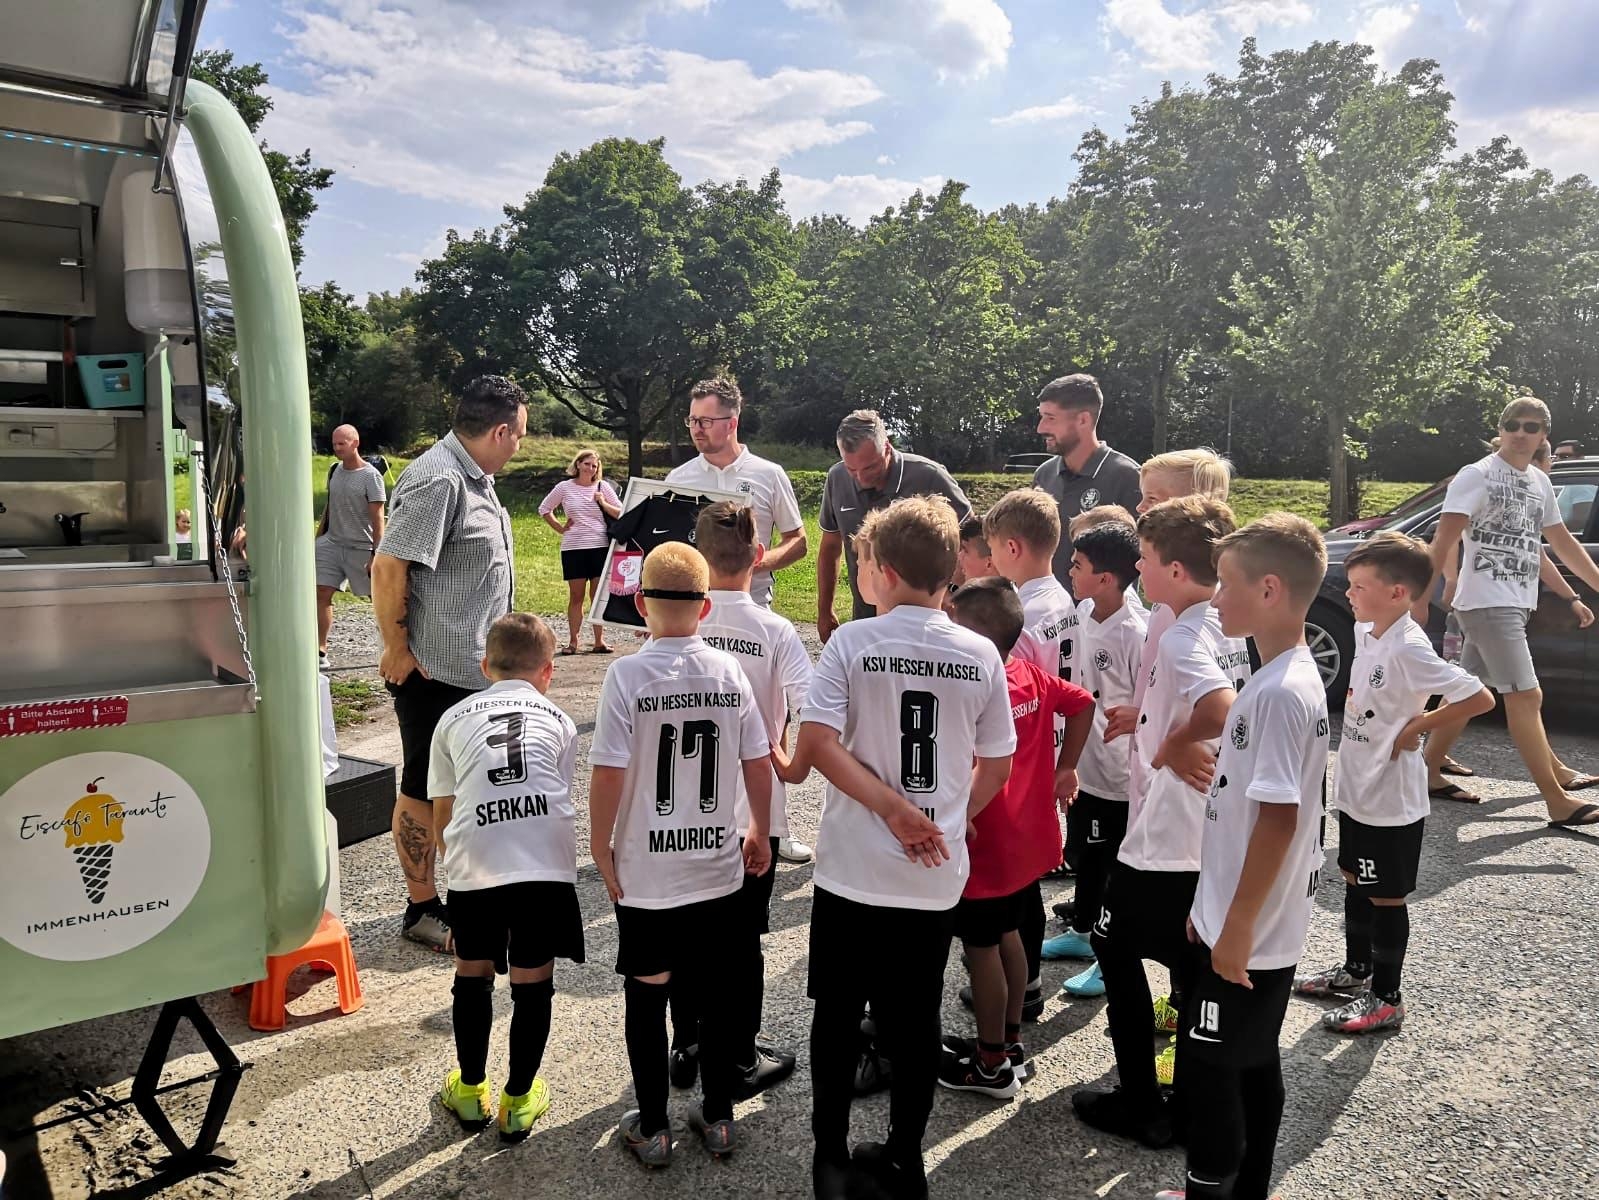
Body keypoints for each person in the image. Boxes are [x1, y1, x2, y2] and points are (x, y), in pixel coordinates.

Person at [790, 496, 1015, 1200]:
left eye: (860, 561)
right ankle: (903, 1158)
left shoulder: (854, 643)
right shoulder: (979, 650)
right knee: (914, 1019)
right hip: (931, 873)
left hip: (854, 869)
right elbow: (998, 762)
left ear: (881, 571)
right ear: (948, 573)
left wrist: (891, 809)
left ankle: (830, 1157)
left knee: (836, 1015)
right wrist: (948, 816)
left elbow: (817, 744)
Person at [1154, 513, 1329, 1200]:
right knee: (1252, 1062)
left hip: (1249, 937)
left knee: (1211, 1071)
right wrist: (1211, 907)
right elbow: (1243, 813)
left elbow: (1279, 821)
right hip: (1238, 921)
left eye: (1226, 584)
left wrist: (1236, 929)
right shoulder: (1277, 677)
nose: (1216, 596)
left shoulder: (1281, 693)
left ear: (1269, 589)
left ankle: (1209, 1191)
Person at [587, 542, 774, 1168]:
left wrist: (600, 843)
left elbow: (609, 770)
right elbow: (757, 761)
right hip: (715, 867)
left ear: (640, 605)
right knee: (716, 995)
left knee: (647, 995)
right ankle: (718, 1117)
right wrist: (758, 829)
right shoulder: (728, 672)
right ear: (705, 608)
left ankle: (654, 1126)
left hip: (649, 872)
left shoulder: (627, 675)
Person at [1072, 495, 1246, 1150]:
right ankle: (1190, 1100)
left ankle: (1142, 1104)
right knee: (1190, 966)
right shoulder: (1226, 621)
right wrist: (1148, 720)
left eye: (1144, 559)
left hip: (1164, 840)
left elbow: (1219, 705)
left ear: (1173, 569)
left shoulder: (1178, 634)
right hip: (1205, 833)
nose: (1138, 571)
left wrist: (1173, 743)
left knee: (1114, 950)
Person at [1294, 533, 1494, 1035]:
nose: (1349, 594)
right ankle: (1356, 969)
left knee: (1385, 896)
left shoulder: (1409, 646)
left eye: (1360, 587)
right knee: (1353, 878)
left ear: (1398, 593)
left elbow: (1479, 697)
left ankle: (1387, 998)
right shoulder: (1368, 630)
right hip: (1358, 786)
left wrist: (1418, 727)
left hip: (1390, 798)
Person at [373, 376, 526, 950]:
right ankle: (422, 910)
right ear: (500, 431)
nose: (520, 446)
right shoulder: (440, 478)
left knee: (465, 789)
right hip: (435, 674)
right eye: (520, 435)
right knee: (423, 786)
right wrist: (396, 648)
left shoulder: (475, 478)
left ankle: (470, 895)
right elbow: (388, 567)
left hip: (474, 673)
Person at [667, 502, 810, 1099]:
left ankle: (686, 1044)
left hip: (682, 812)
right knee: (741, 940)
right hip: (755, 813)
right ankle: (742, 1055)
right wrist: (786, 757)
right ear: (759, 555)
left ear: (697, 557)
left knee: (684, 932)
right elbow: (814, 705)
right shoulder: (775, 631)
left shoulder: (676, 626)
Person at [428, 613, 584, 1142]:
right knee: (532, 980)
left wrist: (456, 878)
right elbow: (555, 794)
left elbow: (443, 812)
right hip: (544, 863)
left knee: (471, 971)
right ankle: (518, 1101)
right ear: (548, 671)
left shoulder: (452, 718)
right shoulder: (559, 719)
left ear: (484, 666)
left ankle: (471, 1090)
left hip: (476, 857)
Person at [940, 578, 1092, 1100]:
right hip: (1028, 841)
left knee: (981, 949)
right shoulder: (1028, 674)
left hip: (987, 841)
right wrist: (1066, 767)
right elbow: (1083, 703)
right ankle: (1010, 1044)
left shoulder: (977, 690)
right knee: (1008, 935)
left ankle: (990, 1066)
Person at [1416, 397, 1599, 828]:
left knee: (1466, 690)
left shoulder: (1539, 481)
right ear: (1500, 429)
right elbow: (1444, 540)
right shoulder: (1476, 475)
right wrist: (1421, 597)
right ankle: (1556, 801)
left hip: (1516, 602)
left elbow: (1559, 542)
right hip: (1486, 602)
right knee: (1526, 696)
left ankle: (1426, 769)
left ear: (1543, 435)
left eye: (1530, 427)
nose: (1520, 433)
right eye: (1512, 425)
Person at [666, 378, 811, 863]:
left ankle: (773, 823)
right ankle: (692, 814)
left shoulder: (768, 474)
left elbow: (798, 539)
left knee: (768, 711)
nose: (696, 429)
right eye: (692, 420)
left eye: (705, 420)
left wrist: (758, 562)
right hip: (694, 612)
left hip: (755, 606)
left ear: (732, 422)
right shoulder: (680, 476)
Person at [982, 489, 1078, 1003]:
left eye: (993, 549)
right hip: (1049, 743)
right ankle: (1026, 977)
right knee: (1027, 874)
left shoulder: (1020, 614)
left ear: (1013, 547)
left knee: (1014, 879)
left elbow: (1009, 692)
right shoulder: (1061, 597)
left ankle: (1020, 984)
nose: (991, 559)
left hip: (1020, 753)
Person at [1055, 521, 1148, 999]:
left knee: (1114, 863)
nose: (1070, 572)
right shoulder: (1084, 610)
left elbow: (1149, 702)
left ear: (1107, 578)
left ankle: (1109, 954)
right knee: (1087, 856)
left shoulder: (1136, 632)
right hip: (1086, 766)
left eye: (1078, 566)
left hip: (1120, 775)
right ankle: (1082, 930)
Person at [817, 409, 974, 639]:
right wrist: (824, 610)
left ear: (887, 448)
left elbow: (972, 541)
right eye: (852, 470)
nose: (861, 478)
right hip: (867, 615)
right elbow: (830, 548)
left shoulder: (929, 476)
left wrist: (953, 593)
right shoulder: (837, 478)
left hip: (927, 622)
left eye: (870, 467)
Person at [1030, 374, 1142, 589]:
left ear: (1083, 420)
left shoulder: (1128, 477)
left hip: (1099, 610)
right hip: (1049, 608)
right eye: (1042, 417)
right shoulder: (1044, 474)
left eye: (1050, 418)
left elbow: (1137, 559)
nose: (1041, 428)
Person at [315, 423, 387, 670]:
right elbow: (330, 507)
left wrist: (376, 553)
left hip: (362, 547)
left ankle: (393, 648)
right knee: (321, 592)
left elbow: (378, 518)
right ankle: (320, 650)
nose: (337, 448)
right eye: (334, 444)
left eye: (341, 444)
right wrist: (319, 538)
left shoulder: (371, 476)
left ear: (355, 443)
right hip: (333, 543)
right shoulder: (334, 470)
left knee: (379, 599)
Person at [538, 448, 622, 656]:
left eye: (594, 465)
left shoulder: (602, 487)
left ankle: (599, 641)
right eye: (587, 464)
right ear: (577, 464)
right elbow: (544, 509)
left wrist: (603, 502)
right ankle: (573, 641)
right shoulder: (564, 487)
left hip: (600, 546)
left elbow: (621, 513)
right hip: (574, 548)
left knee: (597, 596)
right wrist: (560, 528)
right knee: (576, 596)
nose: (590, 469)